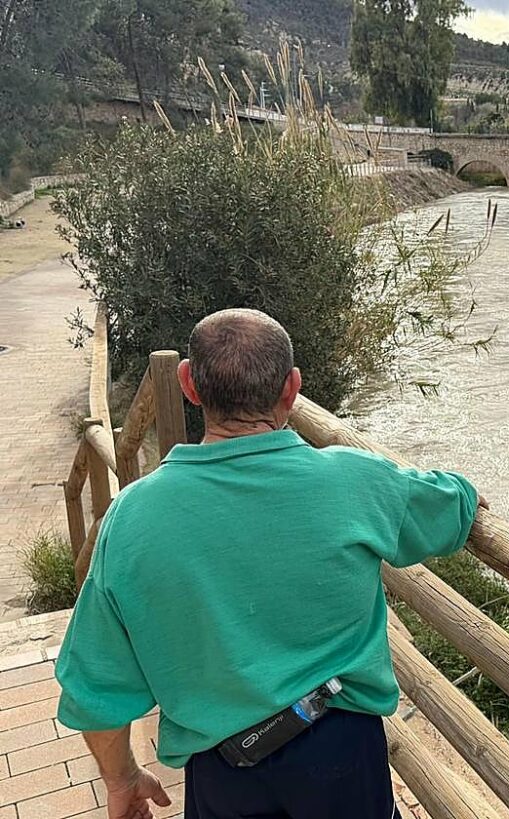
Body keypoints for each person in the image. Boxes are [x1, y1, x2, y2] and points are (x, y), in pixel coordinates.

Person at [56, 308, 483, 819]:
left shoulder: (132, 516)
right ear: (292, 389)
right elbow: (453, 505)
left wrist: (122, 777)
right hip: (341, 749)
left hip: (222, 766)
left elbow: (94, 685)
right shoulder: (357, 482)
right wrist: (462, 491)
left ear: (189, 384)